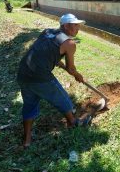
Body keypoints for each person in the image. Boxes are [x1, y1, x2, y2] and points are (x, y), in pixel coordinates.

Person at [17, 13, 91, 147]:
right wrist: (77, 75)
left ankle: (26, 139)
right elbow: (71, 68)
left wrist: (61, 65)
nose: (78, 29)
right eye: (75, 26)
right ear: (66, 26)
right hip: (40, 76)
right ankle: (73, 122)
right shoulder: (69, 43)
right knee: (63, 98)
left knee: (30, 105)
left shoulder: (47, 32)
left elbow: (45, 53)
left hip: (23, 73)